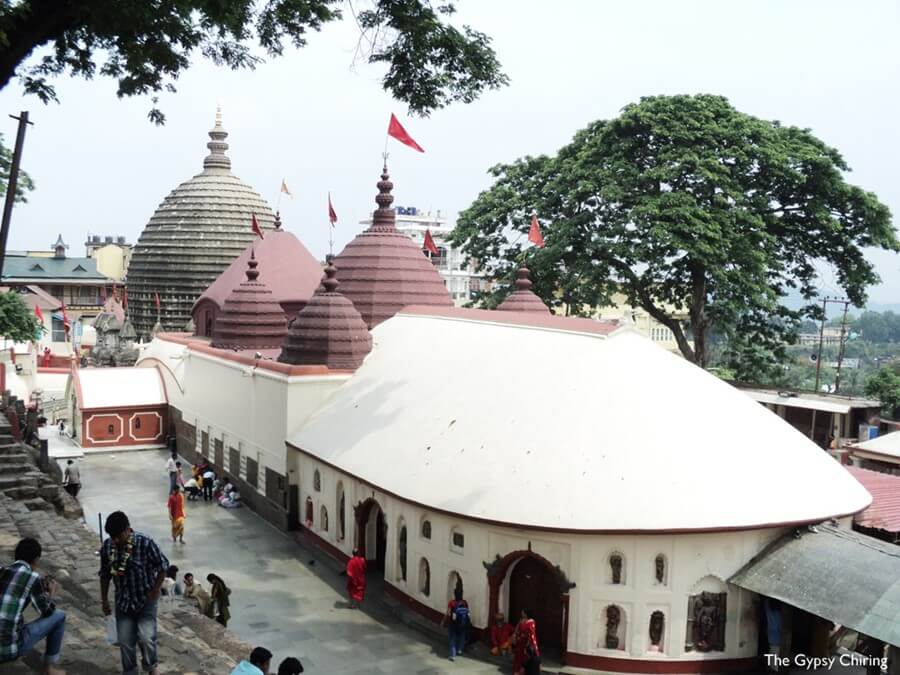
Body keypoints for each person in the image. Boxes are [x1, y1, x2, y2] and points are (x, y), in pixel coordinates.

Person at [99, 511, 169, 675]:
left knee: (146, 637)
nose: (115, 540)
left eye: (118, 536)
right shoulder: (108, 546)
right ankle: (130, 671)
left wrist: (155, 590)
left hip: (145, 599)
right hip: (123, 601)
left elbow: (163, 566)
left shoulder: (145, 543)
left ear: (127, 530)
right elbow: (104, 574)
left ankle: (151, 666)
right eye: (112, 536)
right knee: (125, 641)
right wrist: (104, 600)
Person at [0, 538, 67, 675]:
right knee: (59, 616)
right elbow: (47, 611)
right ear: (36, 560)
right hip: (7, 649)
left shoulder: (3, 570)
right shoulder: (32, 577)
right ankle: (48, 669)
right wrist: (51, 594)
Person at [441, 587, 469, 661]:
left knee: (452, 639)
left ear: (455, 594)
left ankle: (452, 655)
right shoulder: (464, 602)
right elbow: (467, 613)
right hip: (463, 623)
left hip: (453, 624)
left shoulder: (451, 602)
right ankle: (460, 649)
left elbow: (448, 613)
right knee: (462, 636)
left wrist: (443, 621)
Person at [513, 608, 540, 675]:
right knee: (519, 655)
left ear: (526, 613)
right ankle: (517, 670)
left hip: (527, 641)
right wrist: (516, 636)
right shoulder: (521, 620)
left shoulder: (531, 621)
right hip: (521, 641)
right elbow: (517, 629)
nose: (521, 614)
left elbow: (531, 633)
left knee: (526, 656)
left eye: (523, 612)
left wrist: (529, 642)